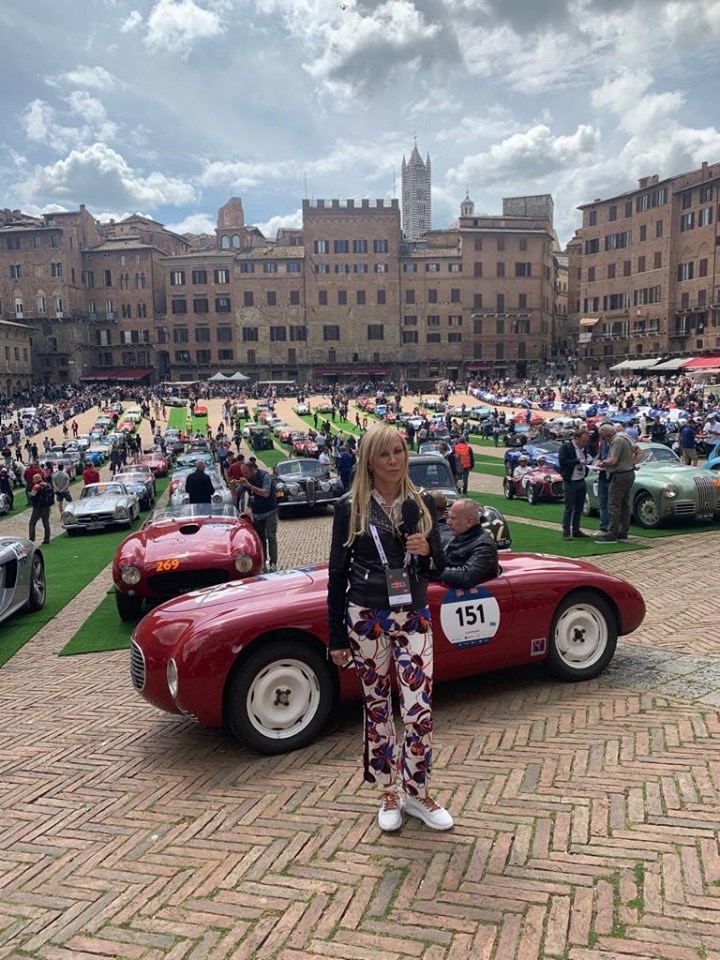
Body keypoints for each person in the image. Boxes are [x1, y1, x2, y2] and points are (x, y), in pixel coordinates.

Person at [327, 422, 451, 833]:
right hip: (366, 617)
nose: (394, 460)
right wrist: (335, 636)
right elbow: (336, 574)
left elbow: (442, 567)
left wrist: (428, 550)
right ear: (370, 460)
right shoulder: (351, 507)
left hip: (412, 615)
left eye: (399, 451)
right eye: (385, 454)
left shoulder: (422, 503)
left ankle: (417, 790)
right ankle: (388, 791)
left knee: (419, 709)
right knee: (377, 706)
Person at [595, 425, 643, 544]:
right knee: (624, 504)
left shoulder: (616, 441)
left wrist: (603, 463)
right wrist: (631, 464)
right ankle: (623, 532)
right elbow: (640, 452)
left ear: (606, 435)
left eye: (602, 436)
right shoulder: (625, 437)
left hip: (619, 475)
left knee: (614, 504)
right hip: (629, 473)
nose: (601, 439)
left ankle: (612, 533)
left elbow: (613, 460)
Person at [436, 499, 498, 588]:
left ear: (469, 521)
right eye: (448, 517)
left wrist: (431, 572)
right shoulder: (458, 536)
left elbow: (466, 576)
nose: (448, 522)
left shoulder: (484, 546)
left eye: (453, 518)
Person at [239, 460, 279, 571]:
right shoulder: (247, 479)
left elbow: (265, 493)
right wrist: (233, 486)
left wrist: (250, 486)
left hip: (269, 511)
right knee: (260, 540)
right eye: (243, 473)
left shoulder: (264, 476)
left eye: (246, 473)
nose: (244, 475)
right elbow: (237, 493)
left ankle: (273, 563)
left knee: (271, 537)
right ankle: (263, 563)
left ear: (253, 470)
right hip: (257, 514)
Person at [558, 427, 591, 540]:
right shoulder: (566, 447)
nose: (584, 443)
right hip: (570, 482)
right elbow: (562, 462)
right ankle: (566, 532)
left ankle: (576, 530)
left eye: (586, 441)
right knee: (569, 508)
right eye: (583, 441)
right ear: (576, 438)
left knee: (579, 507)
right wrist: (577, 461)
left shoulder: (583, 449)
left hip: (581, 480)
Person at [28, 472, 54, 544]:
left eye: (34, 479)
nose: (33, 481)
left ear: (37, 479)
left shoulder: (36, 486)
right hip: (47, 506)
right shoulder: (48, 485)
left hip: (38, 507)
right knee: (46, 523)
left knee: (32, 523)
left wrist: (30, 495)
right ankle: (47, 538)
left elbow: (32, 496)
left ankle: (32, 538)